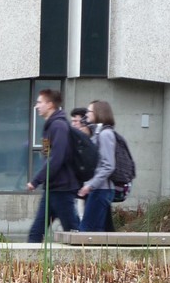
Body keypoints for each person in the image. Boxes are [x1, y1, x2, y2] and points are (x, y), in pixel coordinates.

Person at [26, 88, 80, 241]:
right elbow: (49, 155)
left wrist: (36, 181)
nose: (37, 106)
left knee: (73, 232)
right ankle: (31, 263)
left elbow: (56, 158)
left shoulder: (58, 126)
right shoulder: (51, 126)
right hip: (53, 188)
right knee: (36, 233)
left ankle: (86, 261)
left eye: (39, 102)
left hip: (62, 189)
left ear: (50, 105)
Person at [78, 100, 117, 233]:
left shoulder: (106, 134)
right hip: (98, 189)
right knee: (100, 232)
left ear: (98, 113)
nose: (86, 114)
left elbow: (108, 165)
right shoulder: (98, 133)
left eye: (89, 111)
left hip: (101, 190)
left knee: (87, 231)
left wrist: (90, 185)